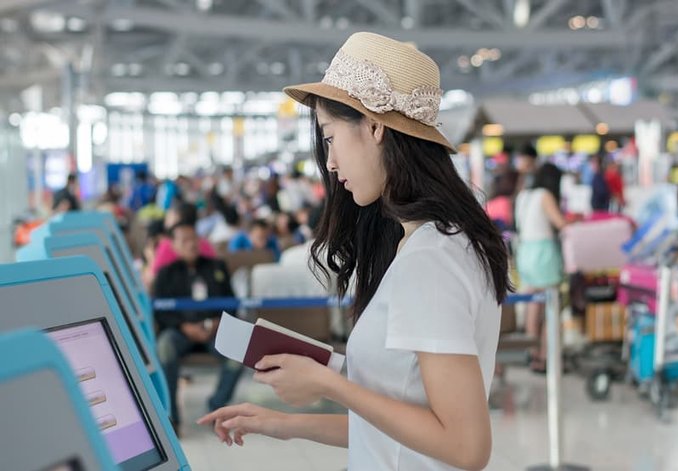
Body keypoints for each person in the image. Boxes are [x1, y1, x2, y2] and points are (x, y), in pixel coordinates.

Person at [199, 32, 511, 471]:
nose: (329, 162)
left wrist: (329, 384)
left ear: (374, 126)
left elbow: (465, 446)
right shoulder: (433, 243)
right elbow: (405, 431)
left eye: (330, 137)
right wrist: (284, 424)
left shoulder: (431, 258)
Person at [153, 221, 243, 432]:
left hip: (214, 331)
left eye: (194, 239)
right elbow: (161, 312)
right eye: (184, 241)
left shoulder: (216, 267)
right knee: (164, 347)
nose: (191, 244)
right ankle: (172, 416)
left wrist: (216, 323)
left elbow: (232, 303)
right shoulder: (166, 274)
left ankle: (216, 406)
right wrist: (184, 326)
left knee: (237, 356)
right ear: (174, 245)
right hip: (180, 332)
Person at [515, 163, 569, 372]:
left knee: (532, 305)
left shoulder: (523, 196)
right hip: (544, 255)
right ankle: (548, 356)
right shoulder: (545, 195)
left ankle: (533, 354)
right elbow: (560, 223)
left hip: (525, 253)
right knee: (551, 306)